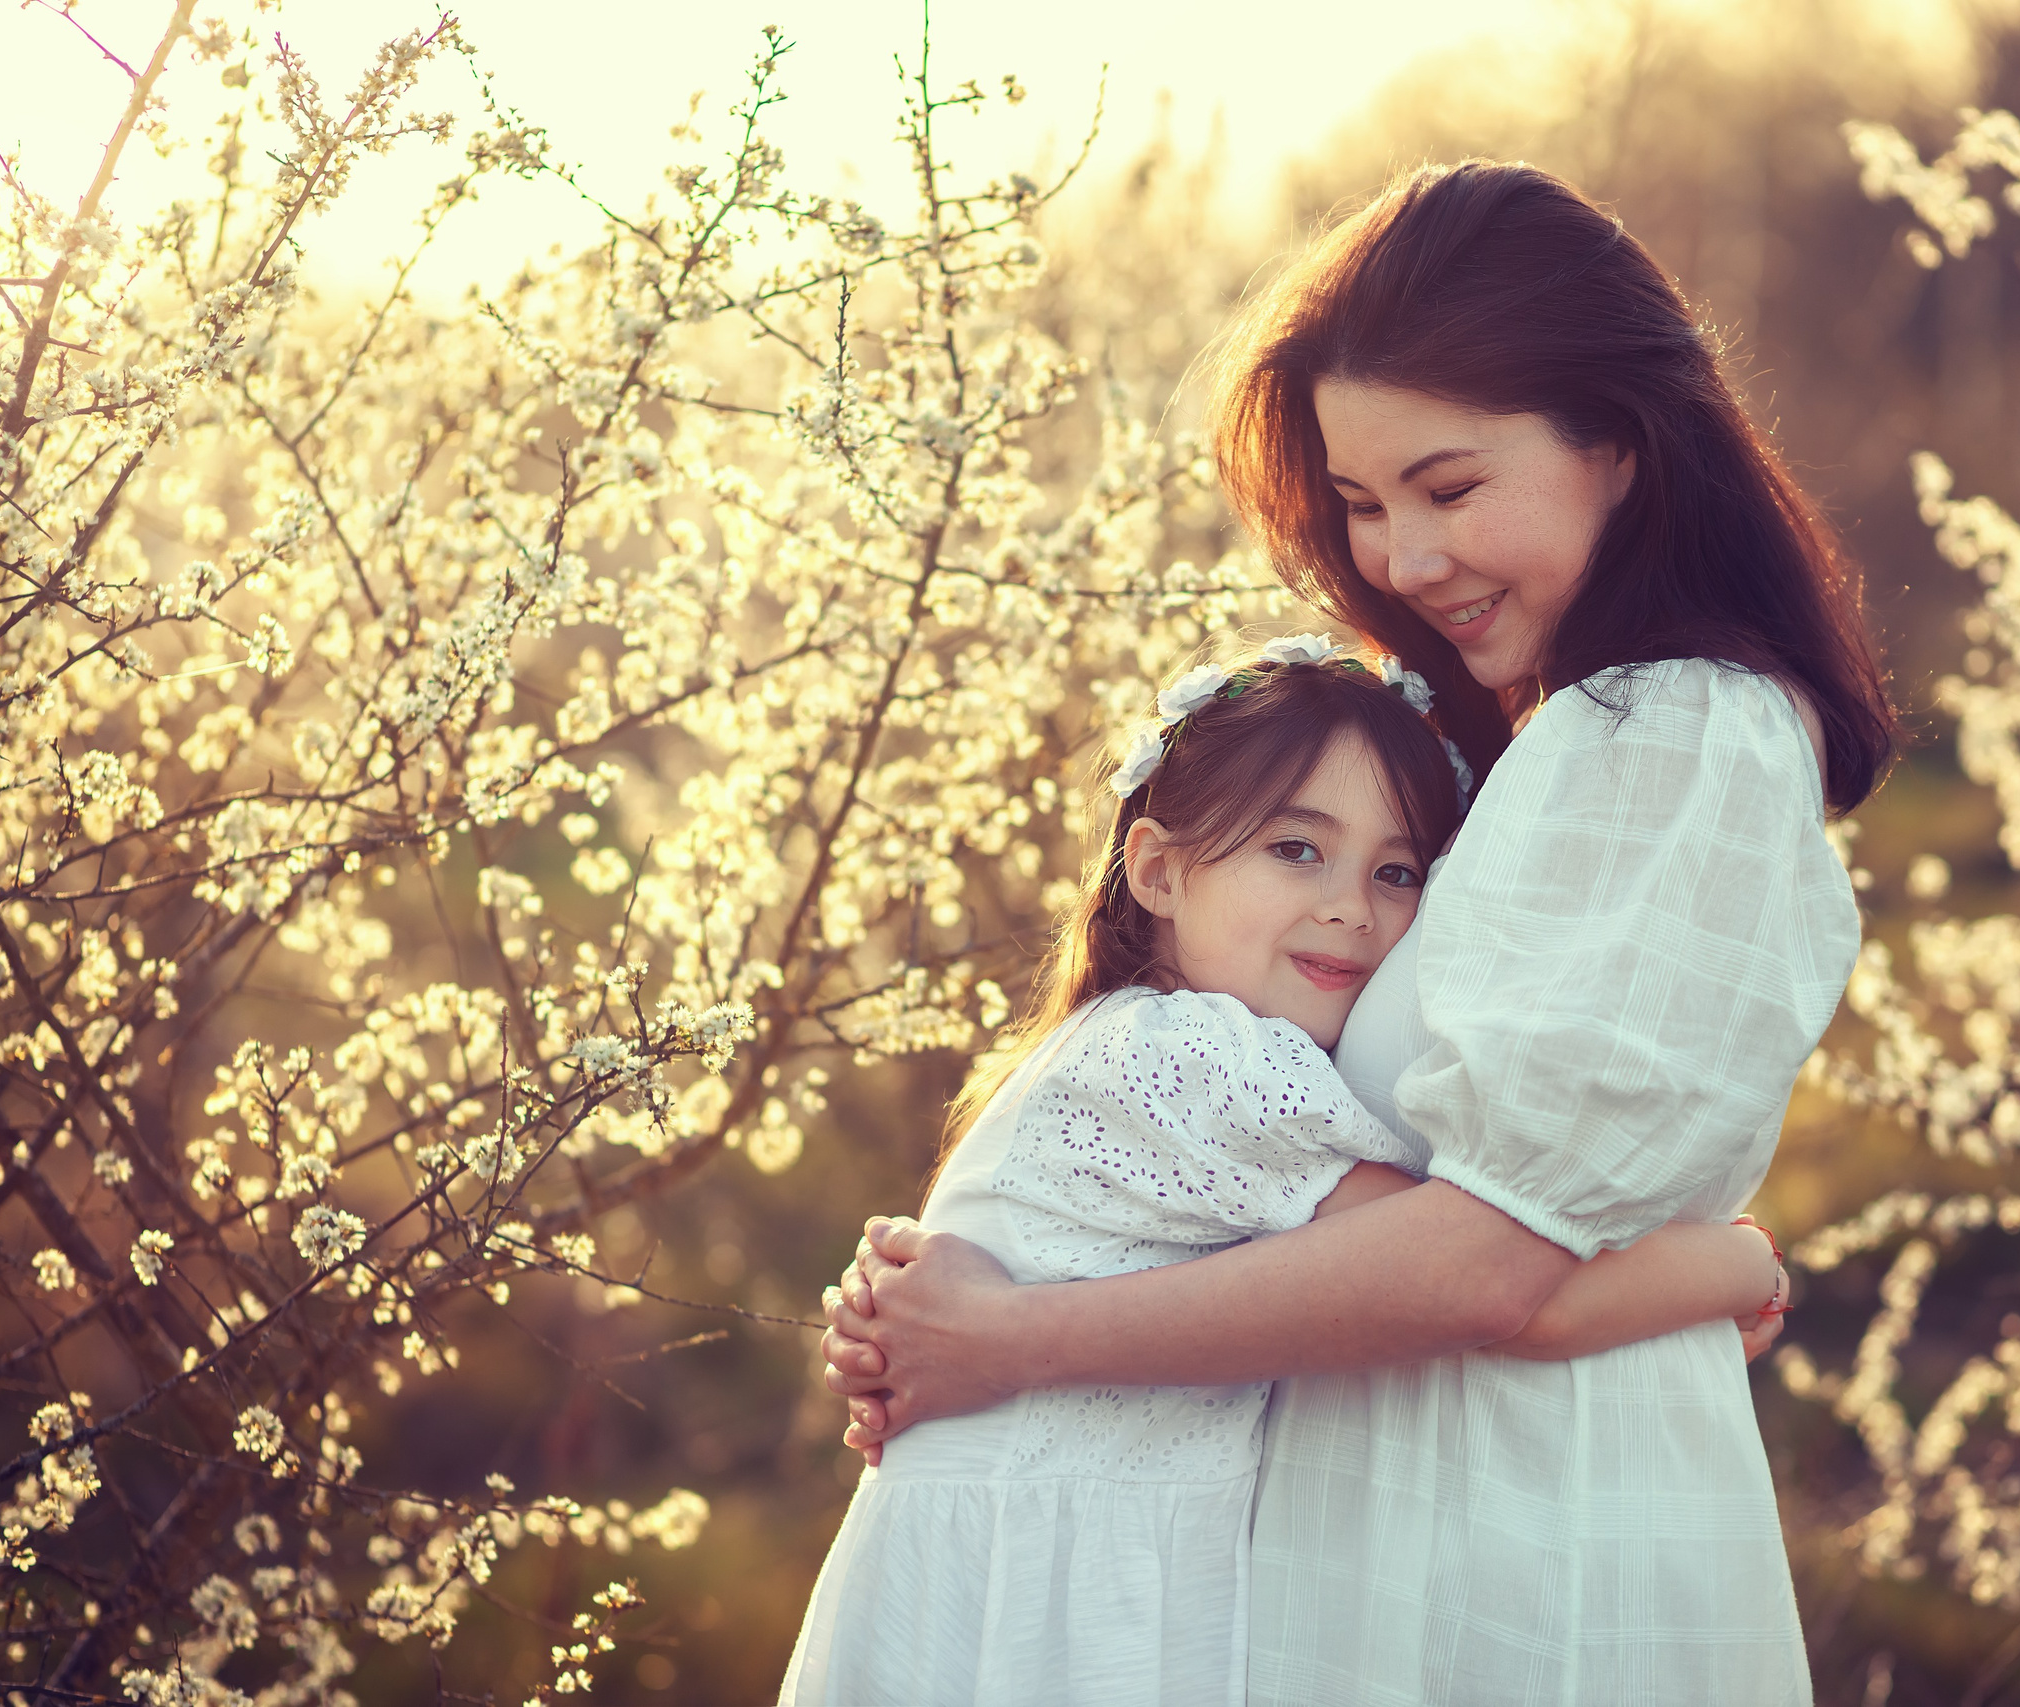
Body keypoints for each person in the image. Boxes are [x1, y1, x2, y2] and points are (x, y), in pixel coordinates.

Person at [823, 159, 1895, 1706]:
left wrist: (1014, 1336)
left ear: (1620, 443)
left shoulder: (1676, 727)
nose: (1399, 560)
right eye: (1363, 504)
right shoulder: (1543, 740)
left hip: (1520, 1528)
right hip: (1392, 1514)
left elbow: (1485, 1266)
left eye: (1450, 487)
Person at [780, 637, 1788, 1707]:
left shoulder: (1107, 1041)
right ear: (1160, 869)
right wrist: (1741, 1265)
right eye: (1296, 851)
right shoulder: (1203, 1060)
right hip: (1071, 1604)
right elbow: (1500, 1288)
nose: (1351, 906)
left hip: (979, 1582)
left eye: (1394, 872)